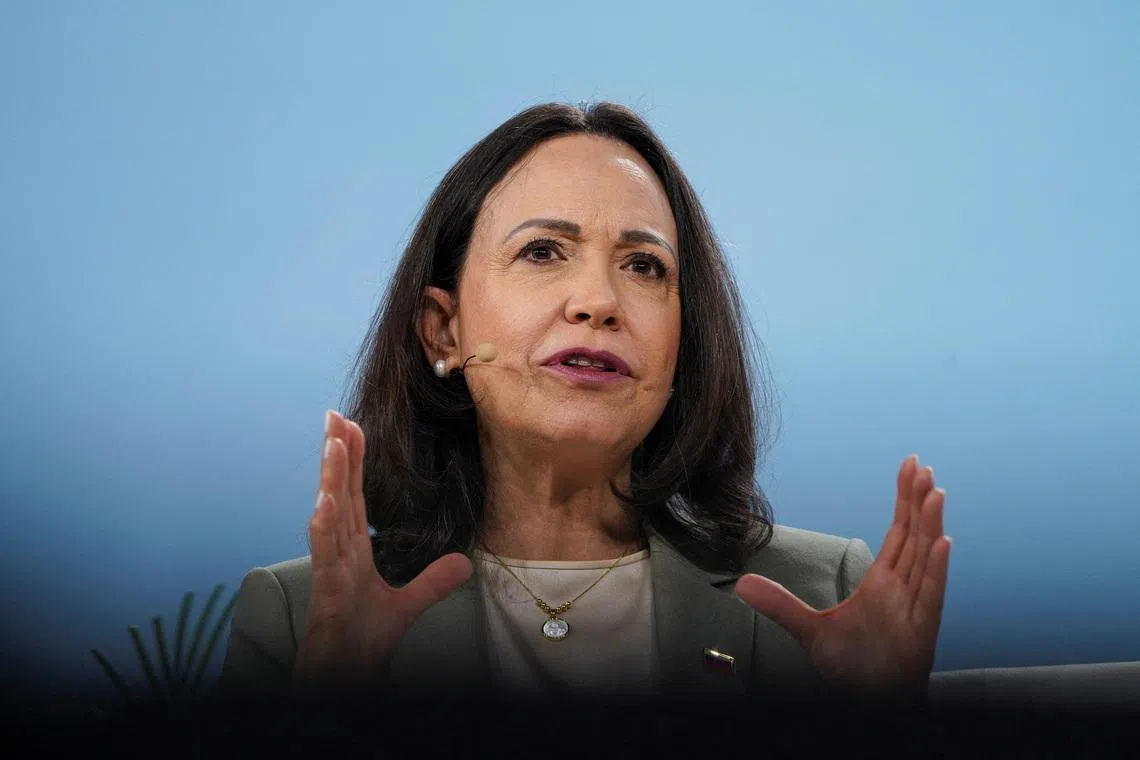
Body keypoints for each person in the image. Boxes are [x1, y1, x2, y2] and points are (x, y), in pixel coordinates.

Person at [215, 102, 950, 705]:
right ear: (444, 329)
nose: (599, 301)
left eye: (644, 266)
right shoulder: (300, 617)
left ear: (683, 344)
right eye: (542, 251)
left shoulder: (823, 593)